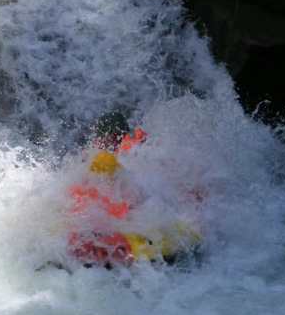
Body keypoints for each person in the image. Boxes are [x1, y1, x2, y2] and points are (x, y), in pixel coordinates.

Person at [66, 113, 202, 269]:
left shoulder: (125, 156)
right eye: (109, 138)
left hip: (121, 226)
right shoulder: (100, 160)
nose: (111, 142)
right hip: (113, 225)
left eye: (114, 138)